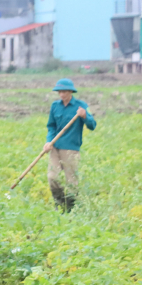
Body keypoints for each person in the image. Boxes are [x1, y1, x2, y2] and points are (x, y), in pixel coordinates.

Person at [43, 78, 96, 212]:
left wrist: (84, 116)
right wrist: (49, 141)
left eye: (65, 91)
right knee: (52, 177)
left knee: (71, 181)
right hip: (55, 147)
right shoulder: (55, 106)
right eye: (60, 91)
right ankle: (59, 203)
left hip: (71, 148)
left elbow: (92, 125)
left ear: (71, 91)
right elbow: (51, 126)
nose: (62, 94)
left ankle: (71, 207)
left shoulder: (81, 106)